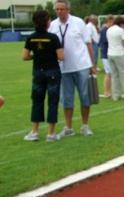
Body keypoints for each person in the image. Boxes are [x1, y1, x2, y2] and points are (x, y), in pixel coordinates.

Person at [49, 0, 96, 138]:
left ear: (68, 9)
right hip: (63, 68)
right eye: (57, 9)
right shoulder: (53, 25)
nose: (59, 12)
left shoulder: (79, 22)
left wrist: (92, 64)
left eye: (62, 9)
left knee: (85, 97)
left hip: (81, 65)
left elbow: (88, 43)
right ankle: (68, 127)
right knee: (66, 99)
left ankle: (85, 125)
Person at [22, 10, 64, 142]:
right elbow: (61, 56)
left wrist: (36, 55)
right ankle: (51, 134)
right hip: (52, 71)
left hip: (38, 72)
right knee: (52, 102)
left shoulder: (31, 38)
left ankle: (34, 132)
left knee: (37, 101)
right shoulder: (53, 37)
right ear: (47, 22)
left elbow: (25, 56)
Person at [107, 15, 124, 101]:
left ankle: (116, 96)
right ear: (121, 23)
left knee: (115, 75)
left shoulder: (109, 29)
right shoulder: (120, 30)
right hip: (119, 53)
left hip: (110, 53)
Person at [98, 15, 113, 98]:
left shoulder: (108, 30)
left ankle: (109, 91)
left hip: (109, 53)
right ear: (109, 21)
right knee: (108, 73)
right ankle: (106, 92)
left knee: (110, 74)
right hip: (105, 54)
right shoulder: (104, 30)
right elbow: (105, 42)